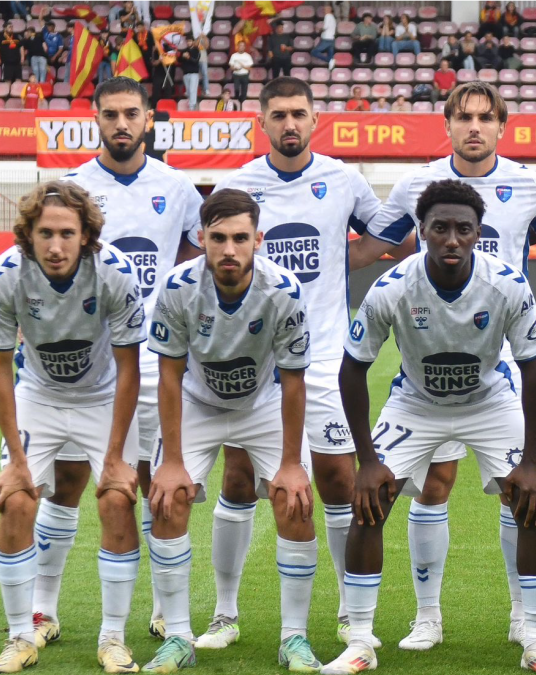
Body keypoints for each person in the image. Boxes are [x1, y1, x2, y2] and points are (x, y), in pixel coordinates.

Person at [347, 82, 536, 651]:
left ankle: (522, 620)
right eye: (464, 117)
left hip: (502, 358)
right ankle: (425, 617)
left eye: (485, 117)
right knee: (432, 485)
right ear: (448, 124)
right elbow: (371, 247)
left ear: (502, 126)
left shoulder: (529, 184)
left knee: (520, 492)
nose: (474, 127)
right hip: (427, 354)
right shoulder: (415, 185)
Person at [320, 179, 536, 675]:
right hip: (416, 402)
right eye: (440, 229)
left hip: (490, 400)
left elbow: (534, 368)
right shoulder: (393, 286)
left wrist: (531, 461)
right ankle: (360, 641)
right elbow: (352, 368)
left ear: (479, 232)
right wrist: (367, 460)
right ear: (422, 231)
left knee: (530, 505)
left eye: (463, 229)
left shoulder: (507, 284)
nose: (451, 239)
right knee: (369, 503)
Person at [194, 76, 385, 651]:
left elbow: (383, 236)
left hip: (324, 356)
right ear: (262, 122)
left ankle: (353, 614)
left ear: (315, 118)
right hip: (253, 361)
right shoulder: (237, 185)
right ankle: (225, 614)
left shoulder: (344, 179)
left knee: (335, 480)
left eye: (299, 113)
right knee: (237, 478)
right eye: (278, 115)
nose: (289, 125)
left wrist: (340, 260)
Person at [34, 76, 204, 649]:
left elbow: (196, 259)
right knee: (68, 482)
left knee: (158, 485)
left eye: (131, 113)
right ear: (97, 121)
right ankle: (40, 610)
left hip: (157, 362)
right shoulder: (72, 187)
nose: (121, 124)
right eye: (110, 115)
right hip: (86, 368)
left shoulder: (177, 188)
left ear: (149, 119)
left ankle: (161, 610)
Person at [141, 188, 318, 673]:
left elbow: (295, 382)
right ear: (201, 238)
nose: (229, 249)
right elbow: (170, 377)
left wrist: (290, 464)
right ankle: (178, 637)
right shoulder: (178, 288)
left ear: (258, 239)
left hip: (262, 405)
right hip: (198, 404)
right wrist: (173, 461)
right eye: (218, 238)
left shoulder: (284, 290)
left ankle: (294, 638)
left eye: (240, 238)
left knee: (295, 500)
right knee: (167, 497)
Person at [0, 181, 145, 674]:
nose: (56, 245)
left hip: (102, 395)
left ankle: (113, 638)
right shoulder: (8, 276)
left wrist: (115, 456)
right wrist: (17, 462)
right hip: (38, 395)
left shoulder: (115, 275)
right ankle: (21, 635)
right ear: (28, 236)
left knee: (117, 498)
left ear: (86, 235)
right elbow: (1, 369)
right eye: (45, 234)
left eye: (67, 233)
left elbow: (130, 368)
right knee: (14, 499)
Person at [178, 37, 201, 110]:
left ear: (193, 42)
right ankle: (191, 104)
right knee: (188, 91)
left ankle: (192, 107)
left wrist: (188, 57)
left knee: (192, 90)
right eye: (187, 41)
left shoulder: (196, 50)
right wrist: (182, 56)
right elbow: (179, 60)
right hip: (186, 74)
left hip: (194, 74)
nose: (188, 43)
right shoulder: (184, 51)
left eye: (190, 41)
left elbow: (195, 61)